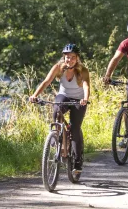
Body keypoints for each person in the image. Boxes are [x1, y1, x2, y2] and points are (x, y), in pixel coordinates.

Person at [29, 43, 91, 176]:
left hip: (78, 100)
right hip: (64, 96)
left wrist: (85, 98)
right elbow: (46, 82)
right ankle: (56, 135)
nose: (70, 60)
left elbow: (86, 85)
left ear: (77, 58)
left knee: (75, 128)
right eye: (67, 57)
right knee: (57, 108)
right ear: (64, 57)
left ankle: (77, 161)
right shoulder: (58, 68)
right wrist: (35, 95)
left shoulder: (83, 70)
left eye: (73, 57)